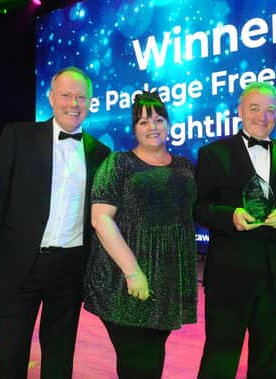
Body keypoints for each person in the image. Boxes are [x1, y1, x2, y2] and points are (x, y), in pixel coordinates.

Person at [0, 66, 110, 378]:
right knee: (11, 356)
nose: (74, 103)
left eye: (82, 97)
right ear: (51, 97)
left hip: (70, 270)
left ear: (91, 102)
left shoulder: (101, 153)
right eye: (66, 95)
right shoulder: (18, 136)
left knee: (59, 358)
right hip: (18, 267)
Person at [194, 81, 276, 379]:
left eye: (270, 110)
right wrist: (229, 215)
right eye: (255, 109)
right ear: (240, 112)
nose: (263, 117)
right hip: (228, 275)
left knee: (266, 362)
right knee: (219, 359)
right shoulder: (213, 153)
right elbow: (198, 206)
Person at [83, 90, 197, 379]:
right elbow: (101, 220)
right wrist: (133, 272)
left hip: (168, 280)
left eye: (159, 119)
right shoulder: (118, 163)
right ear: (134, 128)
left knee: (152, 358)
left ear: (169, 124)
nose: (153, 127)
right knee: (138, 362)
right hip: (125, 280)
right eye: (144, 122)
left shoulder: (185, 167)